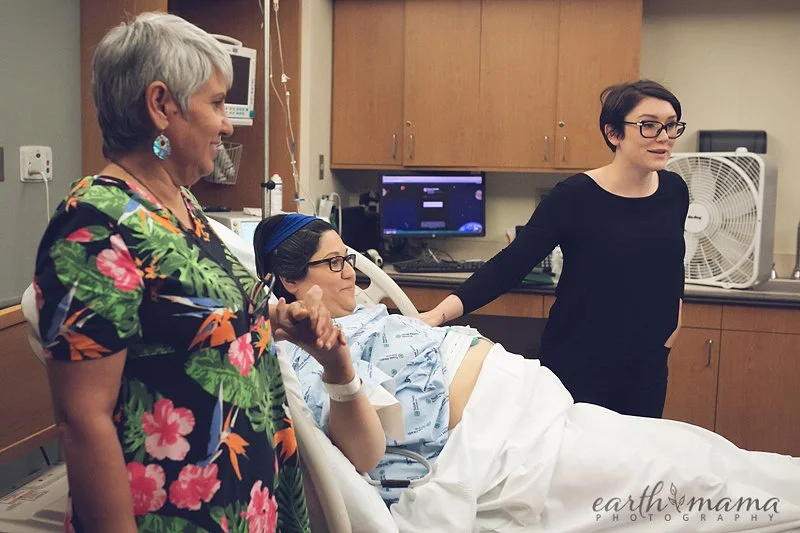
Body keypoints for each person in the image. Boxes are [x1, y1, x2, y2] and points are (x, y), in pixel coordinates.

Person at [31, 13, 383, 533]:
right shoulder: (95, 226)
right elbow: (84, 421)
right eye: (216, 103)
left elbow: (196, 324)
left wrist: (279, 321)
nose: (228, 124)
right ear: (160, 105)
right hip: (174, 514)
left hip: (248, 499)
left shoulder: (183, 205)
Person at [253, 213, 800, 533]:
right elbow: (367, 454)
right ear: (289, 281)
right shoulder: (306, 352)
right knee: (686, 479)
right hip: (500, 445)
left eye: (349, 258)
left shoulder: (364, 315)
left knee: (694, 449)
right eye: (334, 263)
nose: (352, 274)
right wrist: (338, 366)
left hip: (528, 406)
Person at [419, 79, 690, 419]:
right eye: (649, 125)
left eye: (671, 125)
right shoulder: (574, 197)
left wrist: (674, 322)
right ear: (613, 133)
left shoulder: (674, 190)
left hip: (647, 365)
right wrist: (439, 313)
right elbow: (511, 264)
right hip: (580, 360)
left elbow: (671, 264)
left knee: (636, 449)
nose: (664, 136)